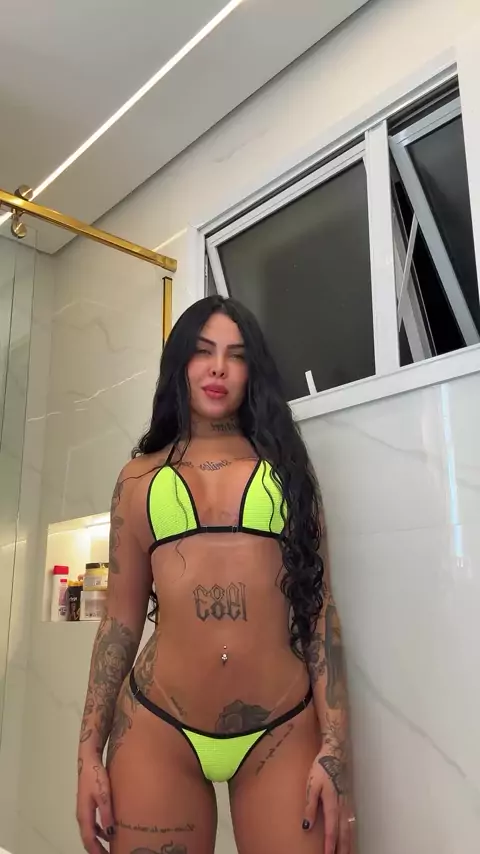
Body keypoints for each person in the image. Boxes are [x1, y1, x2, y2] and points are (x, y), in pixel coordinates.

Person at [76, 295, 356, 854]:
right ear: (180, 363)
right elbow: (120, 623)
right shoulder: (137, 479)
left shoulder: (289, 473)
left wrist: (336, 749)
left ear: (253, 371)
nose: (219, 368)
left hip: (281, 728)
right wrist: (87, 751)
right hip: (156, 728)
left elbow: (320, 613)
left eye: (236, 354)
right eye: (203, 352)